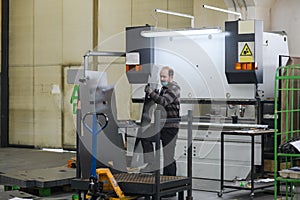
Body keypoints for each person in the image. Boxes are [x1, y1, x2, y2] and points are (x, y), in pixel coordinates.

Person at [142, 66, 180, 176]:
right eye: (161, 77)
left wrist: (151, 93)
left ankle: (170, 183)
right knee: (145, 136)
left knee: (168, 156)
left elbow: (163, 101)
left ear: (171, 77)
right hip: (160, 126)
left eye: (164, 77)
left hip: (170, 128)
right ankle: (151, 165)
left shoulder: (174, 88)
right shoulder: (164, 89)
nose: (162, 79)